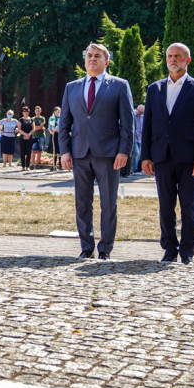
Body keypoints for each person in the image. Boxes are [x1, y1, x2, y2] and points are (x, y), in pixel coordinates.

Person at [60, 44, 135, 260]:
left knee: (108, 203)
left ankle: (105, 249)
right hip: (79, 154)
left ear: (106, 61)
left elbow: (127, 123)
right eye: (89, 56)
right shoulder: (71, 87)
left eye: (97, 56)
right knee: (82, 202)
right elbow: (65, 123)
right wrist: (65, 151)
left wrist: (124, 151)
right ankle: (86, 246)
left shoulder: (120, 86)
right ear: (85, 60)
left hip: (109, 154)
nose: (92, 59)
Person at [140, 43, 194, 264]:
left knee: (189, 206)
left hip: (190, 159)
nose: (173, 59)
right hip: (162, 157)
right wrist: (146, 156)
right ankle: (169, 247)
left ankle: (187, 250)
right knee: (165, 206)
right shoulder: (155, 88)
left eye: (178, 56)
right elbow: (148, 125)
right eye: (170, 56)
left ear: (187, 60)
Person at [132, 105, 145, 173]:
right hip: (134, 138)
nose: (140, 114)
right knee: (136, 153)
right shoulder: (133, 115)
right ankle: (135, 169)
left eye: (142, 112)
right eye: (140, 112)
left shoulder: (143, 118)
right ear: (137, 109)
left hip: (140, 138)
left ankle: (138, 168)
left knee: (139, 154)